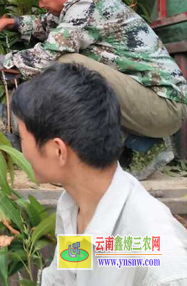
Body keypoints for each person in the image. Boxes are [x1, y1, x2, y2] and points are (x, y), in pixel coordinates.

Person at [0, 0, 187, 177]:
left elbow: (49, 55)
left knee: (66, 64)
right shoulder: (81, 1)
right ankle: (142, 145)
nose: (41, 4)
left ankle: (136, 145)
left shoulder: (89, 3)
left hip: (164, 107)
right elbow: (49, 25)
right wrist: (11, 22)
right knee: (68, 64)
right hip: (153, 103)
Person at [11, 63, 187, 286]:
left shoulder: (160, 260)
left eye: (23, 139)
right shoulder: (76, 208)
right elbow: (65, 280)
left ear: (58, 150)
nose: (20, 149)